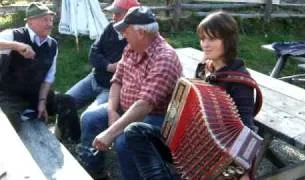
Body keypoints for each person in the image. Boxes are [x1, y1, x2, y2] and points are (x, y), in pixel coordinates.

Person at [122, 11, 256, 180]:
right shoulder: (204, 69)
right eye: (203, 38)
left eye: (212, 39)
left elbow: (247, 129)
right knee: (135, 131)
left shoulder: (240, 82)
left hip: (212, 158)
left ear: (228, 41)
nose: (205, 44)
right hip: (189, 146)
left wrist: (242, 170)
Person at [92, 6, 182, 180]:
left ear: (140, 32)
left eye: (126, 30)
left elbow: (145, 105)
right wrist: (111, 111)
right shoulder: (131, 48)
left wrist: (111, 132)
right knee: (90, 119)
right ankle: (96, 170)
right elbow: (117, 80)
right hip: (128, 109)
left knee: (124, 140)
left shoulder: (164, 58)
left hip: (156, 116)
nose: (123, 35)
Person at [64, 0, 141, 178]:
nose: (113, 17)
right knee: (66, 101)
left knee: (90, 117)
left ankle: (93, 166)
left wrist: (110, 67)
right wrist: (108, 66)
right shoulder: (111, 28)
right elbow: (93, 52)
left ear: (131, 16)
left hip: (110, 88)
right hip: (95, 77)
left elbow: (125, 72)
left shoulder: (136, 38)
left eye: (118, 13)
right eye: (113, 12)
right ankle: (72, 140)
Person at [0, 3, 60, 129]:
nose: (50, 24)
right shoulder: (13, 35)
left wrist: (42, 101)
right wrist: (17, 46)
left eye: (51, 20)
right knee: (9, 124)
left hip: (35, 93)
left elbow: (48, 78)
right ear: (30, 22)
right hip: (8, 94)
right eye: (45, 20)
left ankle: (70, 142)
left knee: (67, 102)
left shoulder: (52, 44)